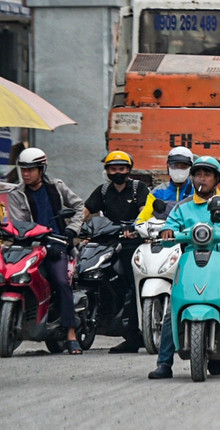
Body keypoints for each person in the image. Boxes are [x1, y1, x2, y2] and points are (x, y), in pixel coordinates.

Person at [148, 156, 220, 379]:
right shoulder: (183, 207)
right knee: (171, 310)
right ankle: (164, 363)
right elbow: (170, 229)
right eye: (198, 174)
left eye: (207, 175)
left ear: (217, 179)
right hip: (191, 264)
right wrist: (167, 233)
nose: (202, 179)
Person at [5, 148, 82, 353]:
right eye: (23, 170)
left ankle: (70, 332)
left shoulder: (56, 187)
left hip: (57, 244)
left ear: (41, 169)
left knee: (61, 281)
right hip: (29, 246)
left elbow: (79, 206)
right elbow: (19, 224)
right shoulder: (16, 194)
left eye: (30, 169)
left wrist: (70, 230)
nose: (26, 174)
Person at [82, 150, 150, 353]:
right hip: (107, 243)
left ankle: (134, 334)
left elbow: (144, 213)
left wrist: (136, 228)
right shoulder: (102, 191)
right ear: (107, 171)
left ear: (129, 170)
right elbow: (85, 211)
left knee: (131, 285)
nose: (117, 172)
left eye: (121, 168)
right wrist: (76, 228)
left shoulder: (139, 188)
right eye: (113, 169)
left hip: (132, 244)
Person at [137, 146, 196, 222]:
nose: (178, 169)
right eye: (174, 166)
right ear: (168, 166)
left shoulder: (197, 191)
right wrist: (134, 228)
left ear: (191, 168)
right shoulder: (158, 191)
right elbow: (144, 216)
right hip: (161, 232)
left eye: (184, 166)